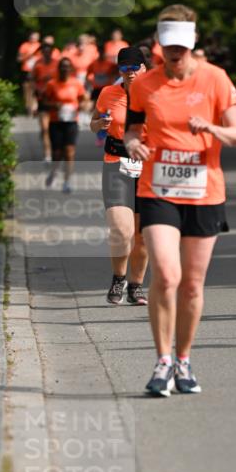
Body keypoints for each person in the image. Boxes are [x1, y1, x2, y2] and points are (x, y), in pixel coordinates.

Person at [124, 5, 236, 396]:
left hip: (203, 192)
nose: (175, 52)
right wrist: (132, 144)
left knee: (192, 285)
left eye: (181, 45)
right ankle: (162, 361)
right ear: (159, 43)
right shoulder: (145, 84)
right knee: (167, 273)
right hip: (158, 190)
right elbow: (131, 128)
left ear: (192, 43)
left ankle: (184, 359)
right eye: (168, 45)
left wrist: (209, 126)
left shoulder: (215, 79)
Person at [90, 46, 150, 306]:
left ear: (144, 68)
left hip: (147, 166)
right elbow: (93, 122)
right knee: (121, 230)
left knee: (142, 235)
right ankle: (118, 278)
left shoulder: (156, 95)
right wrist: (99, 125)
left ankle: (136, 286)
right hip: (116, 163)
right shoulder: (108, 93)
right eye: (125, 69)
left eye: (135, 67)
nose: (130, 73)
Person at [43, 57, 87, 193]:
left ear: (71, 69)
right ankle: (54, 172)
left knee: (69, 152)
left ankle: (67, 182)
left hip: (71, 122)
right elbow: (44, 102)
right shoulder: (52, 84)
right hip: (56, 122)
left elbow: (84, 100)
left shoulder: (77, 84)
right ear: (59, 68)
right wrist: (54, 105)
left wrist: (79, 107)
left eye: (67, 66)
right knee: (57, 153)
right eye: (62, 66)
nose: (65, 69)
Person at [30, 40, 60, 161]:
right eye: (44, 52)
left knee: (55, 129)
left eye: (49, 52)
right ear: (42, 53)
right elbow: (32, 82)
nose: (47, 54)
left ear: (52, 52)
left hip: (56, 100)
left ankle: (56, 150)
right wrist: (33, 101)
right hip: (42, 99)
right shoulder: (38, 65)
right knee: (45, 129)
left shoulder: (58, 64)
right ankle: (47, 154)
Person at [17, 32, 41, 115]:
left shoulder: (40, 46)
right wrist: (28, 56)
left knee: (35, 88)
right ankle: (28, 107)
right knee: (27, 89)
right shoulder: (24, 46)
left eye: (35, 37)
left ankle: (35, 107)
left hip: (37, 71)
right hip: (26, 70)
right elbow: (19, 59)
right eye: (32, 37)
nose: (33, 39)